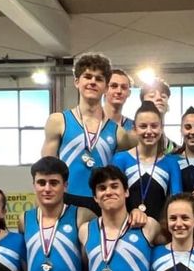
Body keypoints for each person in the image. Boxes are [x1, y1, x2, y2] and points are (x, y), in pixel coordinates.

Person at [40, 52, 137, 224]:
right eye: (87, 76)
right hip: (66, 200)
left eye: (99, 79)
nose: (92, 82)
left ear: (106, 87)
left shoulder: (118, 132)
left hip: (101, 202)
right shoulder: (58, 121)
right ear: (77, 82)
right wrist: (42, 209)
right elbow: (45, 170)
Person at [111, 101, 182, 220]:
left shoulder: (171, 163)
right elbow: (113, 199)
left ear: (161, 128)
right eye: (143, 126)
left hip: (159, 228)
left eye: (154, 126)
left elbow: (178, 203)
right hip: (127, 226)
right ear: (135, 129)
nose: (149, 131)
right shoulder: (120, 159)